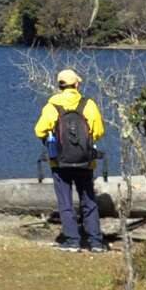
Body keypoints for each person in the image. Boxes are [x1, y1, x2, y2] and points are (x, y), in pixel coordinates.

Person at [34, 68, 106, 251]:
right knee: (88, 199)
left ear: (60, 85)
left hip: (59, 161)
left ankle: (72, 240)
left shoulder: (52, 106)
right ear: (77, 84)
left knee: (65, 202)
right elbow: (99, 131)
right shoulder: (88, 104)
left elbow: (39, 130)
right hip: (86, 161)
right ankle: (95, 241)